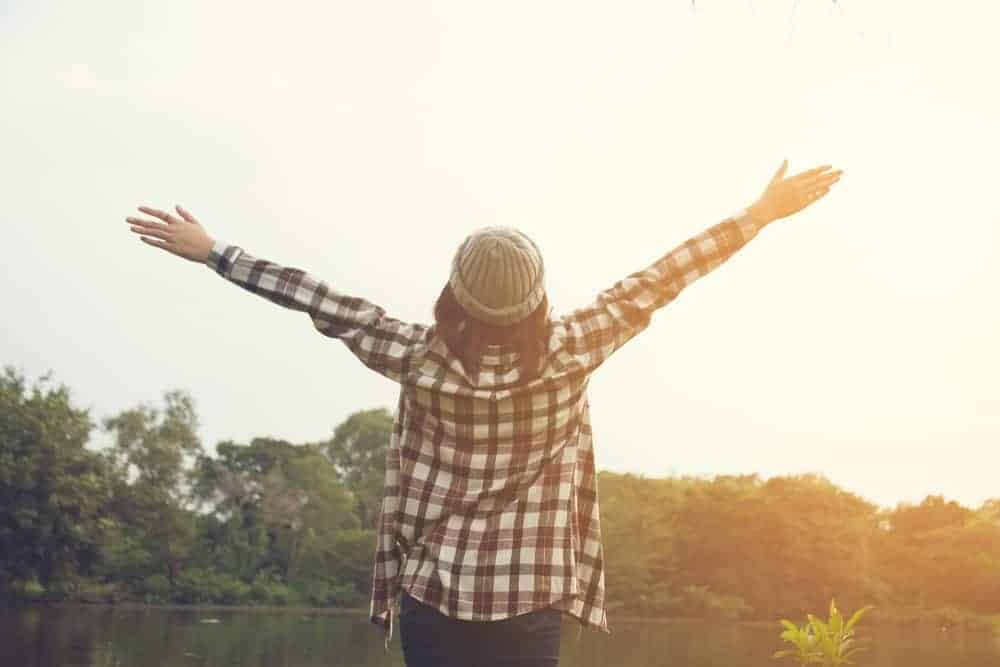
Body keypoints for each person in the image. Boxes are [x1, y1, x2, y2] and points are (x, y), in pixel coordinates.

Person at [124, 159, 843, 666]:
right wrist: (759, 213)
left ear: (455, 295)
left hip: (432, 595)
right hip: (531, 597)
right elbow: (665, 276)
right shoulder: (574, 350)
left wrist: (215, 252)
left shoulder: (416, 356)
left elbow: (315, 297)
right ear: (537, 297)